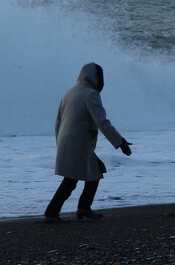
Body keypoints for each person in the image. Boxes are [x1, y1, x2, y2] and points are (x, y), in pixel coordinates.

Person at [43, 62, 132, 222]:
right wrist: (120, 142)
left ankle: (83, 208)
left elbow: (58, 121)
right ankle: (53, 213)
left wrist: (60, 144)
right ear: (95, 78)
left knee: (93, 170)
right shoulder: (90, 94)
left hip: (67, 141)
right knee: (73, 178)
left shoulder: (69, 93)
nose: (102, 82)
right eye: (101, 78)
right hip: (80, 143)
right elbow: (102, 121)